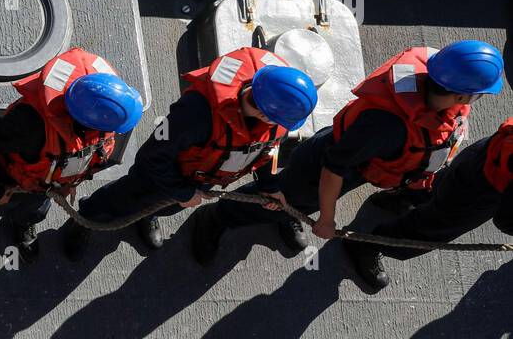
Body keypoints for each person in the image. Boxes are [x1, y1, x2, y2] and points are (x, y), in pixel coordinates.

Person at [197, 40, 504, 278]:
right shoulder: (387, 126)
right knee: (285, 195)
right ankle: (217, 217)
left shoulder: (432, 88)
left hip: (357, 160)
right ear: (463, 96)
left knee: (295, 201)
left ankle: (287, 212)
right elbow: (334, 167)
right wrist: (327, 221)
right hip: (325, 164)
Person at [78, 47, 317, 256]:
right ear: (267, 114)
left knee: (167, 206)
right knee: (122, 198)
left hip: (201, 178)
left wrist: (270, 185)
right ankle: (85, 220)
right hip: (159, 175)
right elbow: (152, 157)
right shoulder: (196, 114)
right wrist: (182, 191)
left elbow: (270, 150)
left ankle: (148, 215)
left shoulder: (279, 117)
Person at [0, 47, 143, 264]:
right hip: (7, 174)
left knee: (36, 210)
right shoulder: (29, 125)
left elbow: (91, 150)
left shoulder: (100, 116)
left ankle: (22, 223)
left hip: (47, 182)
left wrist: (72, 180)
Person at [344, 117, 513, 290]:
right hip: (487, 187)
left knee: (440, 183)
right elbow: (505, 219)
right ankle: (367, 246)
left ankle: (401, 197)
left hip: (492, 150)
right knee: (435, 227)